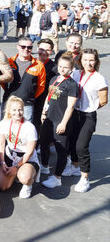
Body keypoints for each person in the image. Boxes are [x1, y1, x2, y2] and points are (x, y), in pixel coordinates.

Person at [67, 49, 108, 192]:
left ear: (96, 61)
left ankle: (85, 178)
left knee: (81, 146)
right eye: (85, 60)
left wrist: (89, 106)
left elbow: (103, 101)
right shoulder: (75, 74)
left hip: (88, 115)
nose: (88, 63)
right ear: (80, 60)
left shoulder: (99, 78)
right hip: (74, 113)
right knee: (71, 142)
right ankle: (74, 167)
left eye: (91, 60)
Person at [40, 54, 78, 189]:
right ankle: (44, 167)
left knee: (60, 149)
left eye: (66, 67)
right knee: (43, 142)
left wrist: (63, 123)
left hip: (60, 120)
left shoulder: (72, 84)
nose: (62, 69)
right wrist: (44, 112)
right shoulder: (54, 78)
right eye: (60, 66)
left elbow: (71, 106)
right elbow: (48, 96)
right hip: (49, 118)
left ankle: (57, 177)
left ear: (71, 68)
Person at [0, 96, 39, 199]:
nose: (18, 112)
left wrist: (16, 167)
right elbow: (1, 144)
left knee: (24, 178)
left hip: (26, 159)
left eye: (20, 109)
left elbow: (29, 152)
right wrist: (2, 163)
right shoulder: (3, 123)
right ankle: (14, 175)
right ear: (9, 111)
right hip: (10, 156)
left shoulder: (30, 127)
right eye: (14, 110)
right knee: (1, 186)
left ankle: (28, 184)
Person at [4, 36, 46, 122]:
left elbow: (41, 86)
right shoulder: (9, 62)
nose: (26, 49)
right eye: (23, 47)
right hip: (9, 102)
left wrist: (29, 95)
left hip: (26, 105)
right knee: (6, 128)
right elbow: (3, 82)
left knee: (25, 131)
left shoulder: (38, 65)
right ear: (18, 47)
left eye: (29, 47)